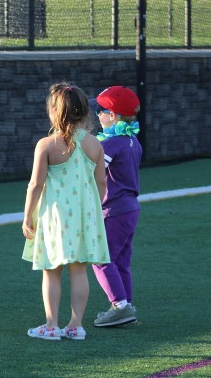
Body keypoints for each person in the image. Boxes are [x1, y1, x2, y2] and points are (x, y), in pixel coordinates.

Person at [22, 83, 110, 341]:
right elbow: (102, 183)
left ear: (54, 112)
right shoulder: (95, 145)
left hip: (54, 218)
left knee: (51, 270)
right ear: (85, 111)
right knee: (79, 271)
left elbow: (35, 185)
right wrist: (96, 206)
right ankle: (76, 325)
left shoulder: (46, 144)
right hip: (84, 217)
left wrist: (27, 215)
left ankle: (51, 325)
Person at [89, 85, 142, 327]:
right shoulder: (132, 141)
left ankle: (119, 305)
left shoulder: (110, 145)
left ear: (113, 116)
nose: (97, 114)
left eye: (101, 110)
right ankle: (127, 305)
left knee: (100, 257)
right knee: (120, 261)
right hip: (130, 208)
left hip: (113, 209)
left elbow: (93, 173)